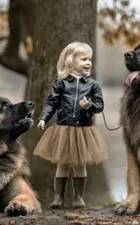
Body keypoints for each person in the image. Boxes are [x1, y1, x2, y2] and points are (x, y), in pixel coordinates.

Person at [33, 41, 107, 209]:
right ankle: (58, 198)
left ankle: (79, 198)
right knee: (63, 164)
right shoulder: (60, 83)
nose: (88, 63)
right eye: (83, 59)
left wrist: (90, 106)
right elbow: (51, 103)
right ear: (70, 61)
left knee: (80, 165)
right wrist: (44, 118)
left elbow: (100, 105)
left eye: (90, 59)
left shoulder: (93, 85)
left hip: (83, 130)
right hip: (63, 129)